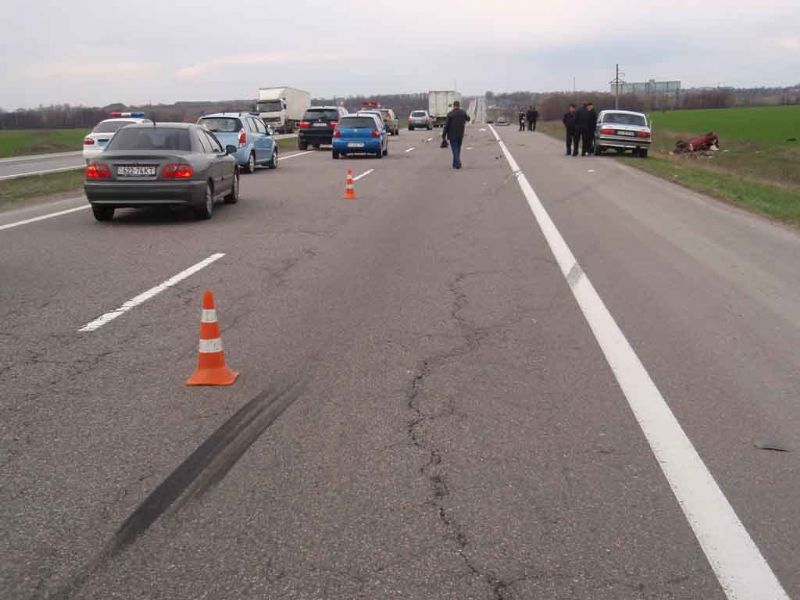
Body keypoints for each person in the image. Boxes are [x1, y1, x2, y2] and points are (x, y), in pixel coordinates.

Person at [442, 100, 471, 169]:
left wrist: (444, 135)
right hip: (460, 133)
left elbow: (446, 125)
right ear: (459, 105)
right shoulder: (462, 112)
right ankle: (455, 163)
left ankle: (457, 163)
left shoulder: (450, 114)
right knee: (458, 149)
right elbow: (468, 119)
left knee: (455, 149)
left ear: (453, 106)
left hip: (452, 134)